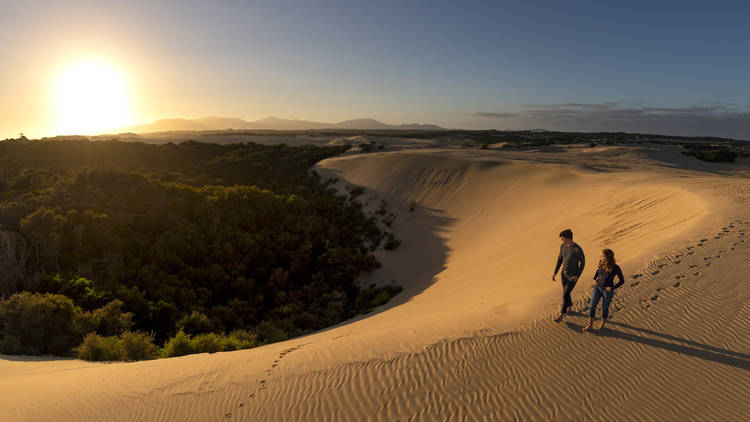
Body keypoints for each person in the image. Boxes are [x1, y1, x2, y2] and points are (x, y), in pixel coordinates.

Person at [583, 248, 625, 332]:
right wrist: (594, 279)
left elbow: (622, 280)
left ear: (608, 257)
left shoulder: (615, 267)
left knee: (604, 308)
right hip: (597, 288)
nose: (601, 257)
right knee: (592, 306)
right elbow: (597, 272)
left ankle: (602, 326)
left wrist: (612, 288)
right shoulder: (601, 263)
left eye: (602, 256)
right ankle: (590, 325)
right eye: (601, 255)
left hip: (607, 291)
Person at [552, 229, 585, 322]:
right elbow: (559, 259)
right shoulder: (562, 246)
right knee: (566, 293)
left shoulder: (577, 249)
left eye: (562, 238)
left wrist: (577, 276)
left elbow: (582, 264)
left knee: (565, 294)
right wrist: (555, 272)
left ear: (568, 238)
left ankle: (561, 315)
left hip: (572, 277)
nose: (561, 240)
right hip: (563, 275)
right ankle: (569, 307)